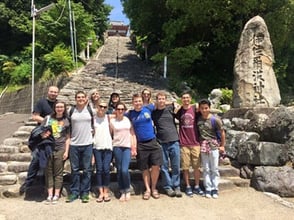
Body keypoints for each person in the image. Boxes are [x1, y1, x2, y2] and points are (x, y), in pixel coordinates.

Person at [20, 86, 59, 195]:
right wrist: (48, 121)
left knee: (48, 160)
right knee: (36, 158)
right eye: (52, 91)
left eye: (55, 92)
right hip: (41, 135)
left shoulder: (58, 104)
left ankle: (44, 183)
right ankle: (29, 181)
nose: (53, 93)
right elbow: (35, 116)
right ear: (48, 92)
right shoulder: (42, 102)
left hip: (53, 135)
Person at [126, 94, 162, 200]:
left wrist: (175, 104)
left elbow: (159, 103)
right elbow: (117, 114)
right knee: (144, 168)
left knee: (156, 166)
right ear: (133, 103)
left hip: (152, 141)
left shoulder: (148, 108)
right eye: (135, 101)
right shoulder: (130, 113)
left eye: (139, 101)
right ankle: (147, 189)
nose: (138, 103)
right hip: (141, 144)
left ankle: (154, 187)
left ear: (143, 102)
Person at [152, 92, 182, 198]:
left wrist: (173, 102)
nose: (161, 101)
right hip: (162, 142)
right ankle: (168, 187)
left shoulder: (170, 108)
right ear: (156, 100)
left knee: (175, 165)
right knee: (164, 167)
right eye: (159, 99)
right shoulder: (154, 112)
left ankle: (176, 186)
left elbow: (179, 105)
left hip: (174, 141)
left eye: (163, 99)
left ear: (165, 100)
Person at [66, 91, 94, 203]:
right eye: (78, 97)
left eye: (82, 97)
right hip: (74, 144)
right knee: (75, 170)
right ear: (75, 99)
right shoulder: (71, 110)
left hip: (87, 143)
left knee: (87, 170)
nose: (80, 99)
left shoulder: (91, 110)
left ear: (86, 98)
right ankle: (74, 192)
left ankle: (85, 193)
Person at [175, 91, 204, 197]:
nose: (185, 100)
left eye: (187, 98)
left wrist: (196, 105)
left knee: (197, 167)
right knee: (185, 167)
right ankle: (187, 186)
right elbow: (174, 112)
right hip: (184, 143)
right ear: (181, 99)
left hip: (195, 142)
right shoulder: (180, 111)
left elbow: (203, 107)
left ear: (190, 99)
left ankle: (196, 186)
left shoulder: (194, 109)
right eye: (183, 98)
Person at [197, 99, 225, 199]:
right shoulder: (199, 119)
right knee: (206, 168)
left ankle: (215, 188)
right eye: (202, 108)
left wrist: (222, 145)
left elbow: (222, 133)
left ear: (209, 108)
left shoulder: (215, 119)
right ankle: (207, 188)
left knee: (214, 168)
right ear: (199, 109)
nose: (204, 110)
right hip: (203, 145)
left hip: (214, 145)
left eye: (206, 108)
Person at [109, 102, 137, 202]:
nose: (120, 111)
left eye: (122, 109)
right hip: (117, 146)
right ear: (115, 110)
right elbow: (110, 134)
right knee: (119, 170)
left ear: (124, 110)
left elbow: (132, 133)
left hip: (127, 147)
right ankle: (122, 190)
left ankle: (127, 190)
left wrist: (134, 146)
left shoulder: (127, 120)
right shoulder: (112, 121)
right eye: (118, 109)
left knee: (125, 170)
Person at [44, 101, 70, 204]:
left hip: (60, 148)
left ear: (64, 108)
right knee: (48, 172)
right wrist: (44, 135)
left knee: (58, 172)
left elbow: (68, 137)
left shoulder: (67, 120)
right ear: (54, 108)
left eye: (61, 107)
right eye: (57, 107)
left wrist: (66, 151)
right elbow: (41, 131)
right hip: (48, 148)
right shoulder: (48, 119)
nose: (59, 109)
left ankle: (56, 194)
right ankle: (50, 194)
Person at [92, 100, 113, 203]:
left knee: (106, 169)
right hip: (97, 146)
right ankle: (101, 192)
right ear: (97, 107)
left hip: (108, 146)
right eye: (101, 106)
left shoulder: (108, 118)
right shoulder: (93, 119)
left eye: (105, 107)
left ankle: (106, 191)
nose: (103, 108)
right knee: (99, 170)